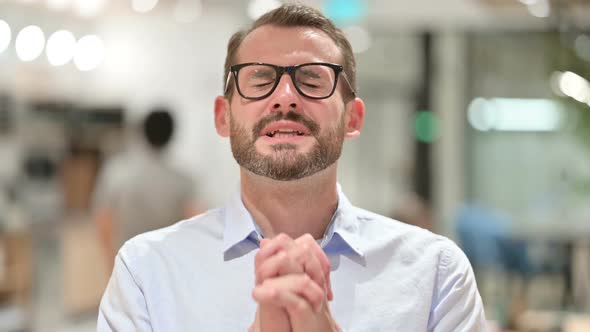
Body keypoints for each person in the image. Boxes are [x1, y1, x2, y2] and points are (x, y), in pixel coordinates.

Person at [97, 4, 486, 331]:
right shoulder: (146, 273)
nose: (285, 98)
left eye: (313, 80)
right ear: (223, 117)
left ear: (353, 118)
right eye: (260, 79)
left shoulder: (436, 273)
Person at [92, 108, 203, 271]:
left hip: (128, 265)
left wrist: (111, 263)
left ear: (141, 132)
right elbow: (198, 224)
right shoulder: (183, 181)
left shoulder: (117, 173)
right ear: (171, 136)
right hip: (166, 268)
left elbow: (103, 220)